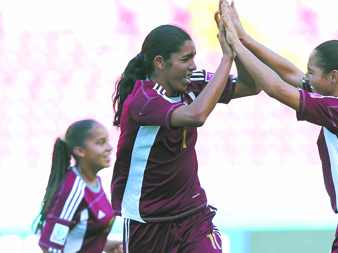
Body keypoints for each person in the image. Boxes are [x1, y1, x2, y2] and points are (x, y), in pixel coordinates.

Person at [219, 2, 338, 252]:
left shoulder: (337, 111)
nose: (306, 77)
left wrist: (235, 46)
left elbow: (275, 88)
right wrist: (245, 38)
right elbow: (289, 74)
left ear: (334, 77)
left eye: (311, 72)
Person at [110, 11, 259, 253]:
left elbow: (251, 85)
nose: (193, 66)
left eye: (194, 58)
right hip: (148, 221)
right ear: (160, 63)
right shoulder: (143, 99)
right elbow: (195, 116)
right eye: (185, 59)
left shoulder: (193, 82)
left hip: (193, 215)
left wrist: (237, 42)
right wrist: (226, 58)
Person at [33, 119, 123, 253]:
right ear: (80, 151)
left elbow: (80, 234)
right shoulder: (72, 190)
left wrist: (105, 245)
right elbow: (50, 246)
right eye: (101, 143)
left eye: (107, 141)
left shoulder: (94, 180)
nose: (109, 148)